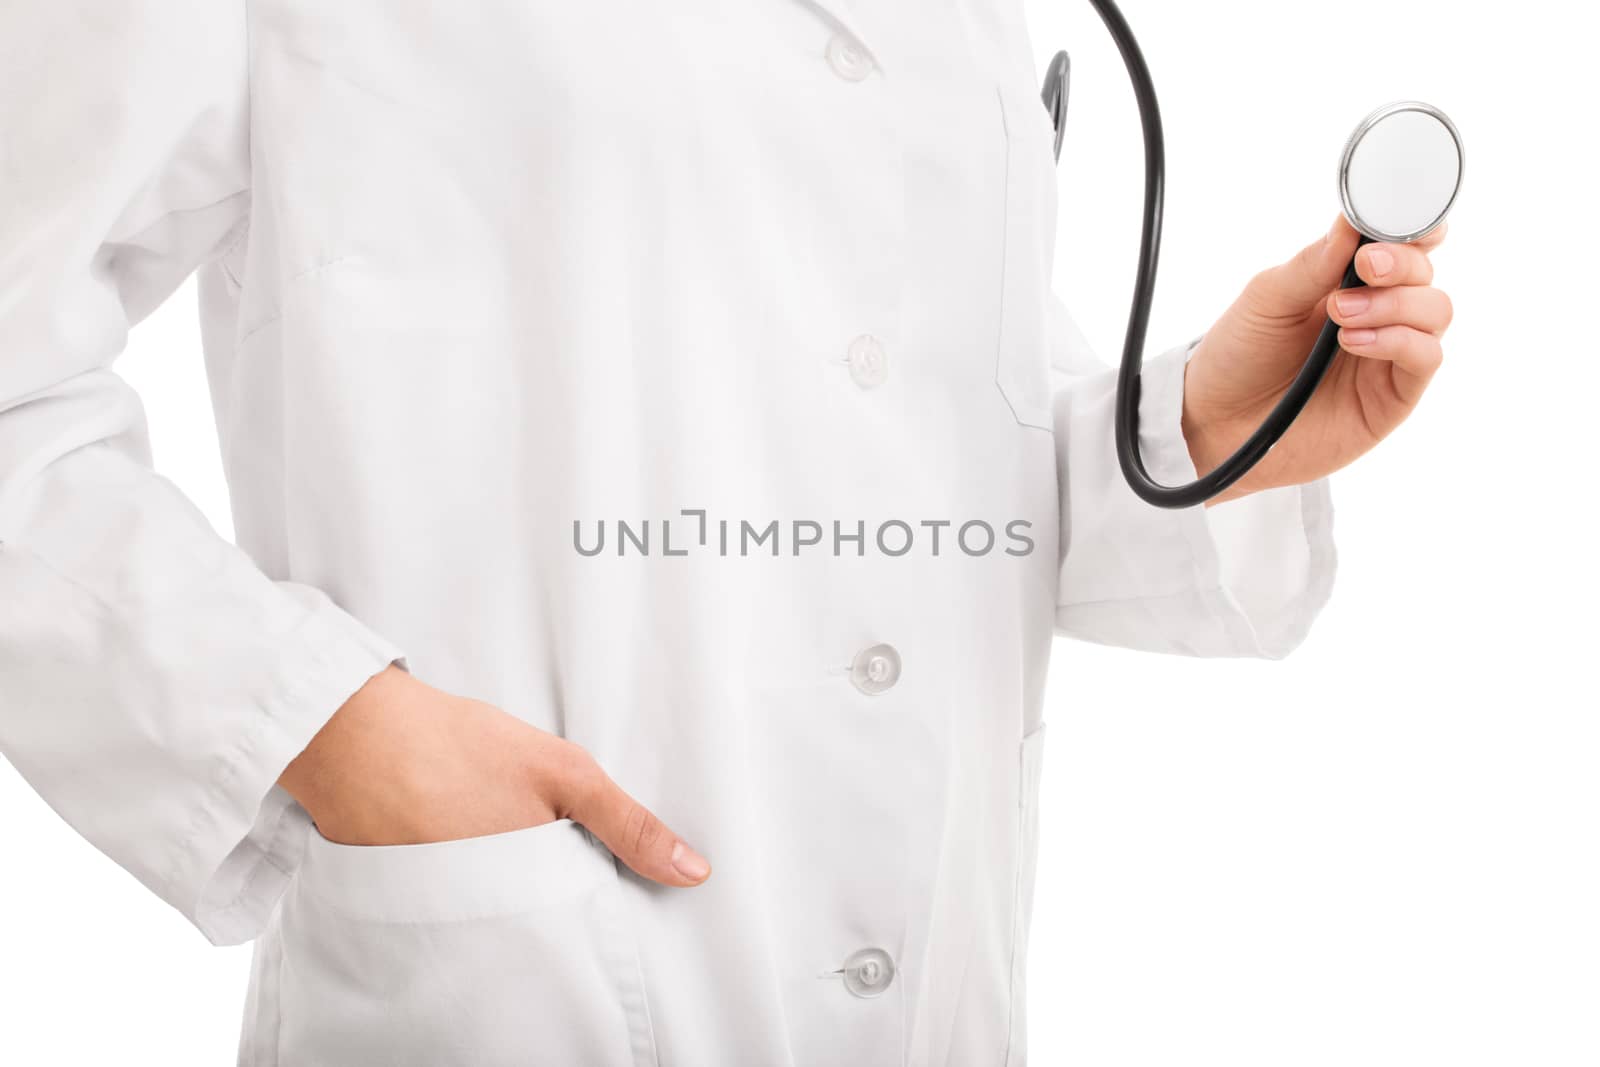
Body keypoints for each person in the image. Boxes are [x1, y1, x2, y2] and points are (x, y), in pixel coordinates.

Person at [0, 3, 1452, 1064]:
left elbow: (905, 433)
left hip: (940, 986)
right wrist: (315, 724)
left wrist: (1206, 428)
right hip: (512, 988)